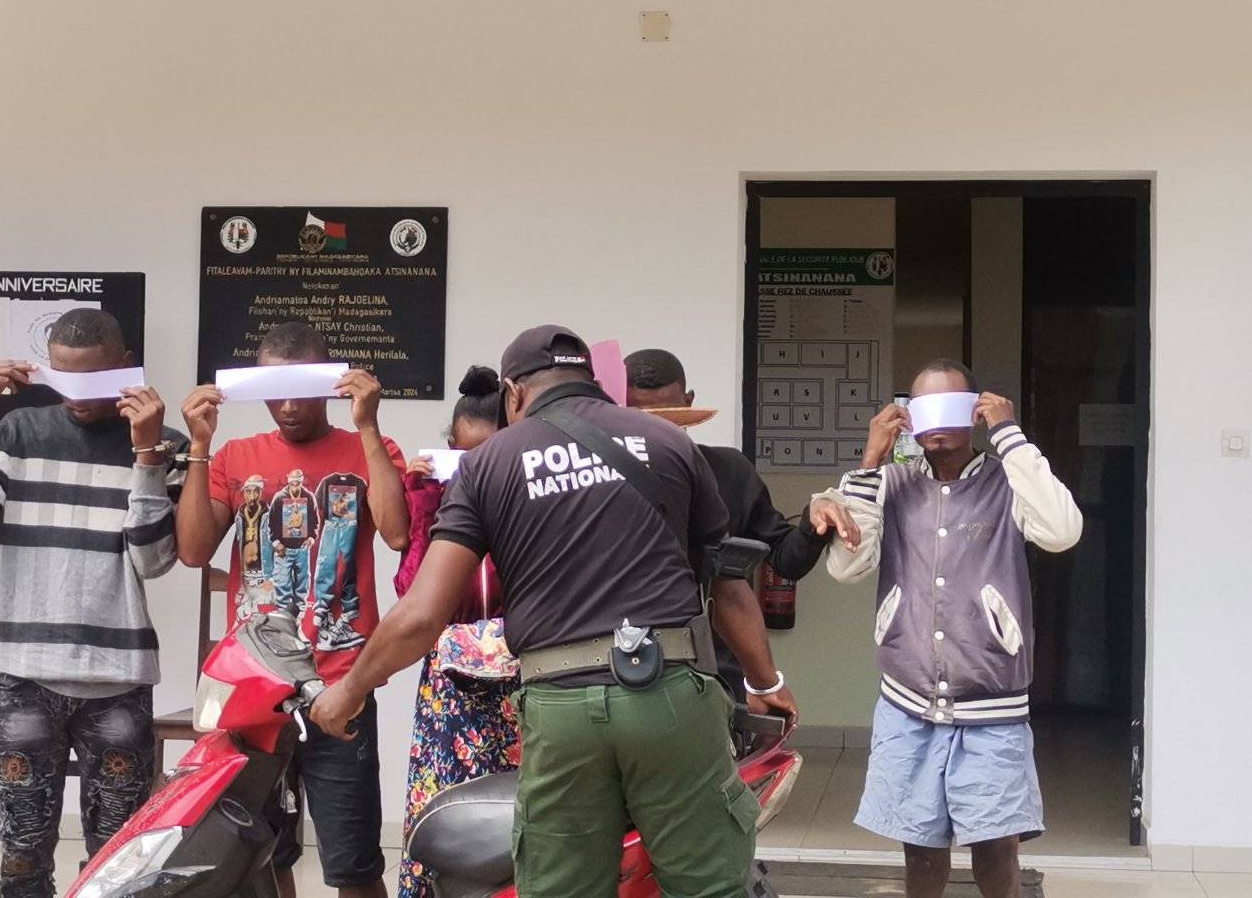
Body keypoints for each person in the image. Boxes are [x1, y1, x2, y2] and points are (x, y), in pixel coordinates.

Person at [311, 325, 798, 898]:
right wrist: (766, 681)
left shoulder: (489, 464)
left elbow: (422, 613)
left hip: (561, 706)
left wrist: (350, 689)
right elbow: (730, 584)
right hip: (670, 692)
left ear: (513, 392)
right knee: (709, 886)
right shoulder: (668, 442)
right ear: (591, 380)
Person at [0, 308, 186, 898]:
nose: (77, 395)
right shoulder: (17, 432)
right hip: (24, 672)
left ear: (125, 366)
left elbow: (153, 560)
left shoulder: (163, 441)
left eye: (93, 378)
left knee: (120, 858)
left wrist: (147, 458)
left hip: (117, 675)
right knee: (22, 854)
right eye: (63, 376)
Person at [824, 359, 1083, 898]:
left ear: (974, 411)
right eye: (925, 407)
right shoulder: (891, 483)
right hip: (907, 701)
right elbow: (847, 567)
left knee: (996, 846)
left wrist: (1009, 434)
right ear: (909, 417)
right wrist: (869, 461)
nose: (937, 421)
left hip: (992, 703)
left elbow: (1061, 531)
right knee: (919, 848)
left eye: (951, 405)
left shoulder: (1006, 481)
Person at [175, 321, 410, 898]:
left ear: (329, 383)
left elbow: (398, 533)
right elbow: (194, 550)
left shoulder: (370, 449)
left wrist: (369, 426)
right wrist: (200, 447)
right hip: (255, 690)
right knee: (258, 857)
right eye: (273, 392)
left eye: (300, 392)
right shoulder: (235, 456)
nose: (286, 406)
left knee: (354, 865)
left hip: (340, 686)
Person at [624, 347, 856, 699]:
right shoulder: (594, 480)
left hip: (717, 675)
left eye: (668, 419)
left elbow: (785, 560)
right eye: (639, 419)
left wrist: (814, 518)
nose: (654, 433)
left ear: (689, 403)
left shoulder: (728, 471)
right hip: (622, 668)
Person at [395, 366, 517, 898]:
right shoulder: (439, 501)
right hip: (452, 685)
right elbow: (412, 592)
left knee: (517, 809)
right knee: (445, 798)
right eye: (462, 455)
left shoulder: (530, 504)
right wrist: (424, 506)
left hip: (520, 679)